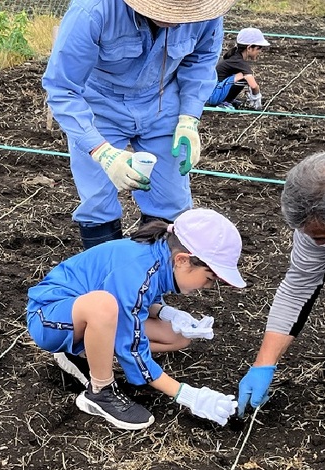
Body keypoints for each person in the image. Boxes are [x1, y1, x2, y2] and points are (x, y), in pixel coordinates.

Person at [42, 0, 237, 250]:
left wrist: (189, 117)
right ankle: (107, 272)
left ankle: (154, 274)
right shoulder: (92, 11)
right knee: (98, 201)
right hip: (100, 104)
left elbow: (200, 60)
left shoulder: (204, 11)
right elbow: (62, 88)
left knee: (172, 200)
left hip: (162, 100)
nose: (176, 19)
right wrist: (101, 151)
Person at [27, 208, 244, 430]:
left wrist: (169, 314)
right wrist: (187, 395)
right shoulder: (136, 268)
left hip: (86, 315)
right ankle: (100, 392)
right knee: (103, 306)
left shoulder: (158, 257)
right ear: (182, 260)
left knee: (177, 337)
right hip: (48, 318)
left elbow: (137, 305)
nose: (207, 287)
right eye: (209, 278)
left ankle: (83, 352)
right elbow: (132, 347)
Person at [238, 153, 325, 417]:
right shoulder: (312, 224)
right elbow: (299, 286)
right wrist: (264, 363)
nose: (318, 244)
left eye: (321, 236)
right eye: (313, 236)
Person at [207, 27, 270, 110]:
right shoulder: (239, 62)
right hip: (213, 96)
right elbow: (254, 86)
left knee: (243, 76)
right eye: (259, 48)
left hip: (209, 93)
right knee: (244, 77)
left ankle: (227, 100)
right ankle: (224, 103)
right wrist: (257, 98)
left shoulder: (234, 57)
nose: (260, 51)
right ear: (249, 48)